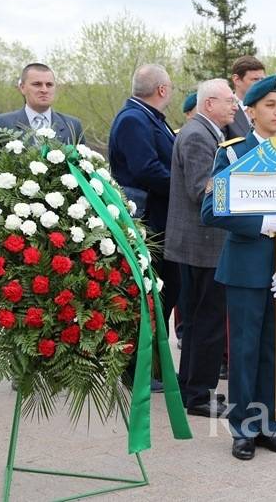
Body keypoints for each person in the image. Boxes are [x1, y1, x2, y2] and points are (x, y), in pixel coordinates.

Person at [202, 75, 276, 461]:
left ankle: (270, 425)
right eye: (269, 105)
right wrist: (261, 223)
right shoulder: (234, 154)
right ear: (250, 111)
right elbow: (210, 210)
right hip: (245, 267)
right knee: (245, 350)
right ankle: (243, 429)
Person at [166, 79, 236, 417]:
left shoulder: (206, 131)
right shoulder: (197, 135)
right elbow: (200, 189)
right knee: (206, 323)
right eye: (228, 100)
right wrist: (243, 186)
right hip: (202, 245)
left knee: (198, 322)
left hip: (200, 243)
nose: (234, 106)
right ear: (209, 104)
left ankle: (191, 389)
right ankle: (198, 395)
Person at [108, 64, 181, 342]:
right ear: (162, 89)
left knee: (168, 292)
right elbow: (146, 169)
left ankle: (157, 358)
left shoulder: (149, 117)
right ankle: (146, 360)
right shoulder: (134, 119)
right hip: (149, 223)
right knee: (154, 297)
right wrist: (185, 187)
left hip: (161, 220)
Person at [0, 63, 84, 145]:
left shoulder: (72, 126)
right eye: (37, 84)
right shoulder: (2, 124)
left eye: (49, 85)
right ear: (22, 88)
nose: (44, 90)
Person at [226, 56, 266, 139]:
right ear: (237, 80)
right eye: (255, 79)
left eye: (262, 80)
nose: (261, 84)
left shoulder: (270, 109)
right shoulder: (225, 110)